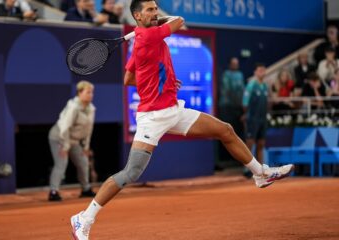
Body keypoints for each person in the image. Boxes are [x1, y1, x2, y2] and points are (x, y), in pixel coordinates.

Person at [69, 1, 294, 239]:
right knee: (130, 173)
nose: (155, 13)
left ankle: (261, 173)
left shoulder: (142, 39)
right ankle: (84, 218)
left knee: (225, 130)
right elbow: (179, 20)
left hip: (173, 110)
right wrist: (153, 27)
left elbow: (129, 78)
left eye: (156, 9)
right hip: (153, 118)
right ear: (136, 15)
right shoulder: (147, 37)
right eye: (150, 10)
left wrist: (160, 82)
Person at [48, 80, 96, 201]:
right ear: (79, 93)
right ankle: (54, 191)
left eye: (92, 92)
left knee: (83, 162)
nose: (91, 95)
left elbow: (88, 130)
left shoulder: (91, 109)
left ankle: (86, 189)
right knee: (61, 163)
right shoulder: (73, 107)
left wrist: (86, 147)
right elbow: (64, 127)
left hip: (73, 140)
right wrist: (65, 146)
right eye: (88, 92)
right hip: (59, 137)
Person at [242, 63, 269, 177]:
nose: (262, 72)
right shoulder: (251, 85)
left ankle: (260, 170)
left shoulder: (265, 86)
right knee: (249, 143)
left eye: (263, 70)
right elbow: (245, 102)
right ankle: (246, 169)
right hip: (252, 119)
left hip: (263, 119)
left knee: (261, 144)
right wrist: (246, 115)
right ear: (255, 72)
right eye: (260, 70)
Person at [218, 57, 245, 166]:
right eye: (233, 63)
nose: (235, 65)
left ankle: (238, 160)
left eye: (237, 63)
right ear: (230, 64)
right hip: (227, 109)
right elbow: (227, 90)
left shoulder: (240, 75)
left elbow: (242, 90)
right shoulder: (226, 74)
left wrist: (241, 106)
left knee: (237, 134)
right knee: (226, 132)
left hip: (237, 109)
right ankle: (225, 160)